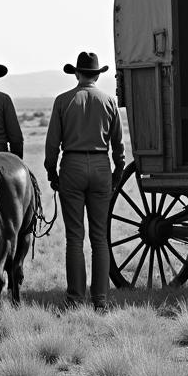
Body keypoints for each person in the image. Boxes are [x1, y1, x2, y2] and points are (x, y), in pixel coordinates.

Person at [45, 51, 125, 312]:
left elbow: (52, 145)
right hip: (101, 166)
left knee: (75, 237)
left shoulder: (63, 100)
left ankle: (76, 298)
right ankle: (100, 300)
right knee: (100, 237)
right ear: (97, 75)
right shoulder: (109, 101)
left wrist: (51, 172)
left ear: (77, 74)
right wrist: (118, 170)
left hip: (72, 165)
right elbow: (118, 144)